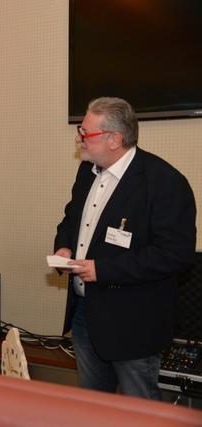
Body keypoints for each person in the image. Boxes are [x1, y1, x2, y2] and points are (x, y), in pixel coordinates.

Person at [54, 97, 197, 400]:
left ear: (114, 139)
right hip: (85, 314)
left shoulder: (164, 182)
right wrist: (64, 247)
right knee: (95, 407)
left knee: (138, 411)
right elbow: (71, 218)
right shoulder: (86, 171)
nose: (78, 139)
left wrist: (102, 270)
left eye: (85, 133)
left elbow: (175, 254)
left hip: (134, 324)